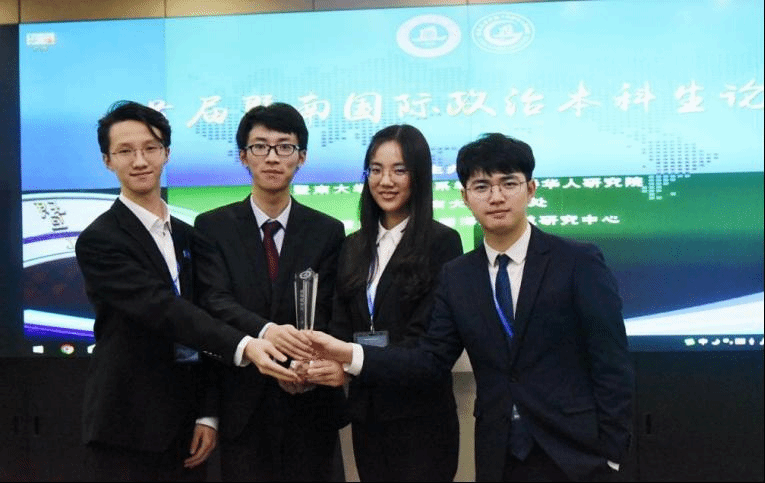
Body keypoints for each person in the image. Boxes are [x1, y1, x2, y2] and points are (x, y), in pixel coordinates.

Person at [307, 133, 635, 482]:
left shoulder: (577, 261)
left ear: (531, 189)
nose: (496, 197)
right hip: (499, 454)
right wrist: (351, 356)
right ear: (465, 197)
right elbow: (431, 359)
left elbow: (611, 364)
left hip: (576, 454)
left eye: (508, 183)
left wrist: (611, 455)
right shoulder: (459, 275)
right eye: (482, 186)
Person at [75, 100, 297, 482]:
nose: (140, 161)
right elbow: (164, 309)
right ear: (107, 161)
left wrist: (207, 414)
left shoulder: (188, 235)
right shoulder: (99, 240)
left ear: (166, 153)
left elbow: (206, 314)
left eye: (150, 148)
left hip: (186, 427)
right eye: (125, 151)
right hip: (127, 425)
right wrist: (246, 345)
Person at [192, 102, 348, 481]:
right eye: (260, 146)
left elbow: (331, 309)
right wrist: (266, 333)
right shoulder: (212, 227)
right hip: (242, 404)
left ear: (301, 157)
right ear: (243, 156)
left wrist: (307, 367)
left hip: (309, 403)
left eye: (285, 146)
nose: (273, 157)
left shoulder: (327, 230)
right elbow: (213, 301)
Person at [318, 124, 462, 481]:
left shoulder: (442, 243)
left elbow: (427, 343)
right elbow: (340, 322)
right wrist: (327, 362)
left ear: (419, 176)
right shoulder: (353, 245)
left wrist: (349, 357)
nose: (386, 181)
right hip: (367, 417)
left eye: (400, 170)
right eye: (376, 169)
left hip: (421, 420)